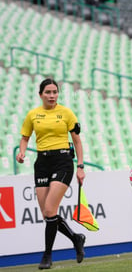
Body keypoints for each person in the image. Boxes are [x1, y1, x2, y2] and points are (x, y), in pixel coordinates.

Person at [16, 79, 86, 269]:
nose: (52, 95)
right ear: (40, 94)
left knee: (49, 210)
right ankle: (76, 238)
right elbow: (24, 138)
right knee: (48, 214)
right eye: (48, 92)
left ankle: (47, 256)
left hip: (63, 161)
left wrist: (80, 166)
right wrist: (21, 152)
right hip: (42, 163)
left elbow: (77, 142)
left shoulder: (66, 113)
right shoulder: (33, 115)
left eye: (55, 92)